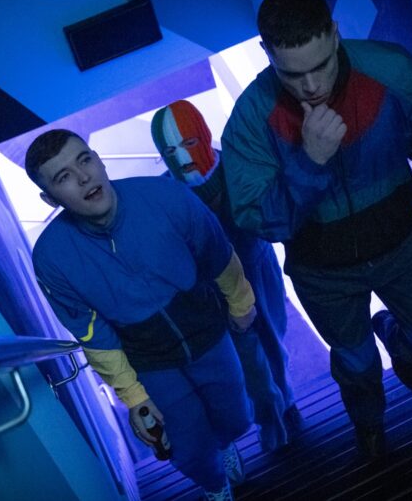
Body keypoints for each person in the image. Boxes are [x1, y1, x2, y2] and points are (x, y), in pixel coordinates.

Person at [221, 0, 412, 459]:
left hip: (404, 245)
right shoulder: (251, 118)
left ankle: (392, 333)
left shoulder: (393, 71)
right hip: (322, 272)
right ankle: (369, 425)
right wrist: (309, 163)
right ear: (266, 53)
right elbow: (258, 220)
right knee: (356, 364)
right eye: (292, 73)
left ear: (335, 33)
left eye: (320, 65)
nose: (311, 86)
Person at [26, 129, 254, 500]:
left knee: (236, 416)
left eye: (84, 160)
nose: (83, 177)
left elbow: (216, 252)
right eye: (64, 177)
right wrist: (133, 397)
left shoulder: (165, 196)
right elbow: (92, 333)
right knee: (187, 446)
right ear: (50, 197)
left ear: (98, 159)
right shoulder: (52, 258)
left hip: (208, 333)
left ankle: (226, 444)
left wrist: (241, 303)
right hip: (148, 361)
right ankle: (215, 484)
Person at [150, 100, 303, 452]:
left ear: (203, 136)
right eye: (170, 151)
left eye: (189, 143)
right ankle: (272, 417)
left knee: (273, 340)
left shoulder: (237, 165)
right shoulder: (167, 194)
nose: (182, 157)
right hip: (213, 289)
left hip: (258, 269)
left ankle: (286, 402)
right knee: (247, 359)